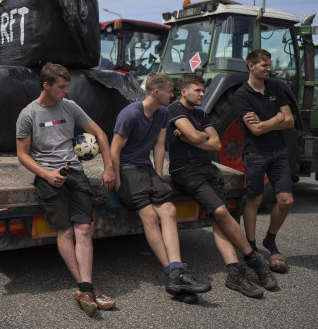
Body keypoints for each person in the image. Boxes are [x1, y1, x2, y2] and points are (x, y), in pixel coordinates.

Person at [16, 63, 116, 317]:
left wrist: (108, 168)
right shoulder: (28, 114)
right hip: (48, 176)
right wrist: (46, 175)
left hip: (75, 172)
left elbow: (101, 135)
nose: (66, 90)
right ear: (46, 85)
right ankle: (86, 288)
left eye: (67, 86)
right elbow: (22, 155)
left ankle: (85, 289)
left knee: (83, 228)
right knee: (66, 230)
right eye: (61, 86)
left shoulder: (70, 107)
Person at [166, 74, 277, 298]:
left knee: (221, 218)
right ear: (183, 91)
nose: (202, 94)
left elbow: (215, 143)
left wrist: (193, 138)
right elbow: (195, 136)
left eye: (202, 90)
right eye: (197, 90)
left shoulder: (201, 113)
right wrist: (195, 138)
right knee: (219, 211)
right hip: (185, 172)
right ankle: (254, 261)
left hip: (208, 169)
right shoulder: (174, 110)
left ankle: (235, 274)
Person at [110, 72, 211, 304]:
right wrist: (117, 182)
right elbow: (114, 151)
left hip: (145, 169)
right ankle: (175, 274)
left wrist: (157, 177)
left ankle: (177, 270)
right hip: (127, 170)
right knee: (149, 216)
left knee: (169, 210)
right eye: (170, 91)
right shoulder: (130, 114)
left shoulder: (163, 112)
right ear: (157, 92)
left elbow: (158, 145)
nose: (173, 95)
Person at [235, 49, 295, 273]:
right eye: (264, 66)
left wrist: (269, 122)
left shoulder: (276, 87)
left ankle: (270, 240)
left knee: (286, 200)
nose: (269, 69)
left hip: (278, 151)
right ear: (251, 66)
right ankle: (250, 245)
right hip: (255, 152)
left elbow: (289, 121)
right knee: (254, 199)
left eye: (269, 65)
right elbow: (255, 130)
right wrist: (276, 118)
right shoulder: (242, 94)